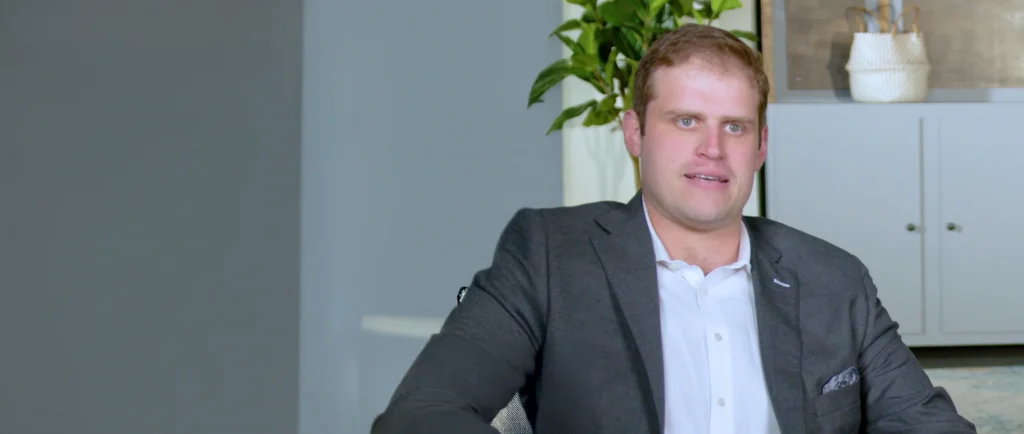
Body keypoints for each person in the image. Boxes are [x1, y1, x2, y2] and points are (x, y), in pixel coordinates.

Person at [371, 24, 976, 434]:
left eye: (734, 126)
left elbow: (928, 424)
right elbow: (423, 413)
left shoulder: (833, 277)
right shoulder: (549, 255)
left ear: (761, 145)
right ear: (635, 133)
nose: (713, 148)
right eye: (686, 121)